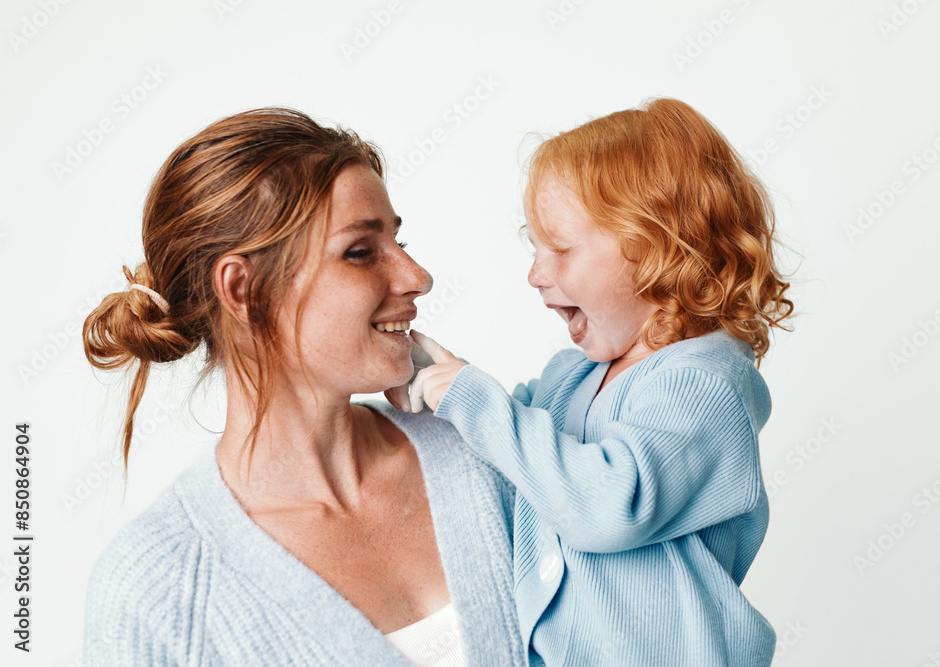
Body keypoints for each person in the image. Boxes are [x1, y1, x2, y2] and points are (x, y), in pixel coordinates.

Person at [80, 107, 524, 667]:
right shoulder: (157, 592)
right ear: (244, 291)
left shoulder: (488, 448)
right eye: (360, 252)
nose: (417, 277)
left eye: (399, 241)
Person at [396, 98, 793, 666]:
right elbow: (499, 453)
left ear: (658, 250)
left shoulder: (704, 385)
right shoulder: (570, 377)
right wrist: (423, 374)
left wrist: (469, 396)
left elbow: (607, 507)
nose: (534, 273)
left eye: (560, 249)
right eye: (534, 247)